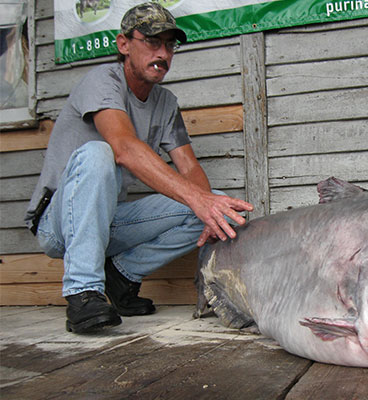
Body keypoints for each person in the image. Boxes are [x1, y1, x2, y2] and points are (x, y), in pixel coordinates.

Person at [24, 3, 253, 334]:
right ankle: (83, 293)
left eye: (169, 45)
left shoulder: (165, 103)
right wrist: (196, 199)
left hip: (107, 223)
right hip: (57, 224)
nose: (162, 53)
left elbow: (189, 168)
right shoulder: (102, 81)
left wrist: (206, 206)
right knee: (99, 153)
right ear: (123, 44)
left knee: (218, 206)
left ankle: (121, 276)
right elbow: (124, 148)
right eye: (151, 42)